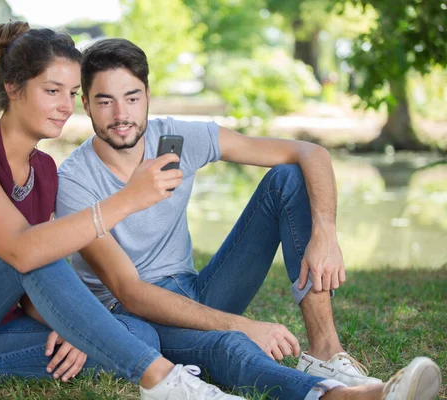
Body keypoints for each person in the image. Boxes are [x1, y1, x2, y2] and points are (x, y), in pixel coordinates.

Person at [0, 22, 249, 400]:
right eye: (52, 91)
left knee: (132, 334)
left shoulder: (45, 172)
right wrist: (128, 199)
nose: (65, 106)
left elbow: (31, 284)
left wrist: (71, 325)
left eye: (71, 93)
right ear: (13, 87)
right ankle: (164, 382)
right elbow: (20, 252)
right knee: (34, 249)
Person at [54, 38, 442, 400]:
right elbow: (130, 292)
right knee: (230, 344)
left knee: (287, 178)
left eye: (131, 97)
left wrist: (325, 231)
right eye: (105, 102)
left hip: (194, 288)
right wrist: (240, 324)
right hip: (135, 315)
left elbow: (310, 153)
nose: (121, 115)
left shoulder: (177, 138)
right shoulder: (74, 181)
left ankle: (325, 349)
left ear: (148, 97)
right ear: (86, 104)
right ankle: (347, 396)